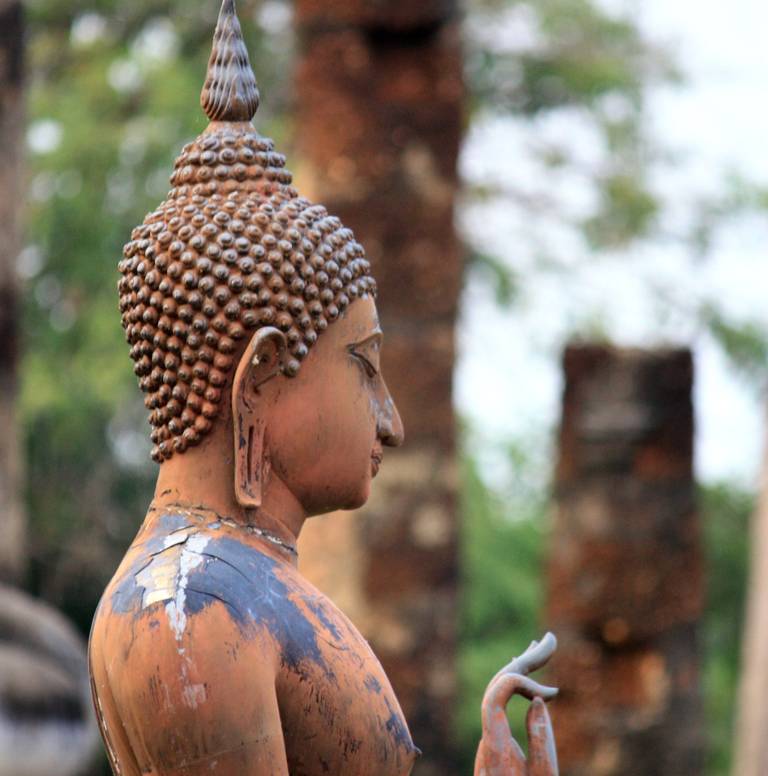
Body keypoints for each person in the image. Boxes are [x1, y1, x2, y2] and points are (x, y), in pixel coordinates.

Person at [88, 2, 558, 773]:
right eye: (365, 367)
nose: (391, 422)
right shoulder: (192, 610)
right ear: (262, 377)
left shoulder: (233, 584)